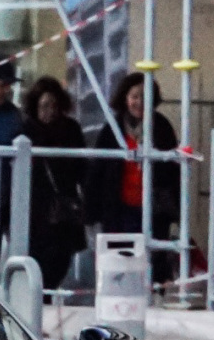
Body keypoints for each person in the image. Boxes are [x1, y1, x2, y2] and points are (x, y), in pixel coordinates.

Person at [97, 71, 180, 281]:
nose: (140, 102)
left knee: (154, 261)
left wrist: (176, 209)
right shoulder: (112, 128)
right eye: (135, 96)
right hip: (119, 208)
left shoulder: (162, 126)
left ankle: (154, 302)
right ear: (125, 98)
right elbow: (98, 169)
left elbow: (173, 171)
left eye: (145, 96)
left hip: (154, 209)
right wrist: (93, 209)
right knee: (119, 261)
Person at [18, 76, 85, 291]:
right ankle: (41, 300)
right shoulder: (25, 131)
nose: (50, 111)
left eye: (55, 106)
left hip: (63, 208)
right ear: (34, 106)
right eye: (45, 106)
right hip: (35, 210)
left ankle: (47, 296)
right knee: (37, 259)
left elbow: (81, 168)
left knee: (60, 259)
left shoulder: (71, 129)